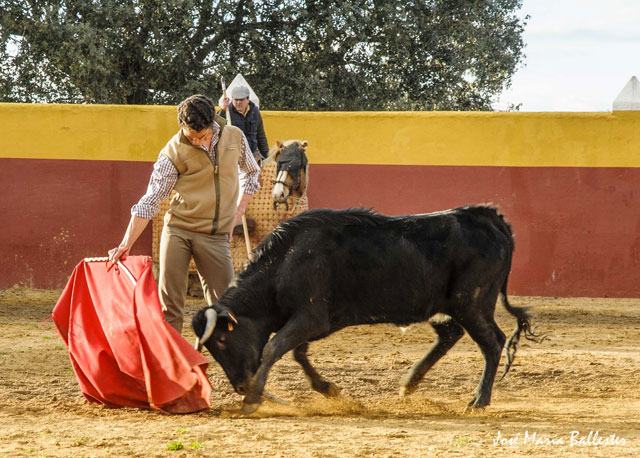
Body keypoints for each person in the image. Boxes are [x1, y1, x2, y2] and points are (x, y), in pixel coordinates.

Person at [108, 94, 260, 333]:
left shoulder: (234, 137)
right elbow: (151, 200)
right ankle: (172, 366)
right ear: (182, 127)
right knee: (170, 308)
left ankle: (229, 360)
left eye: (203, 136)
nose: (198, 142)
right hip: (178, 230)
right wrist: (125, 244)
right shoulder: (172, 152)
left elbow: (251, 174)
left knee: (227, 307)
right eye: (192, 136)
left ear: (213, 123)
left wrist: (236, 213)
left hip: (215, 234)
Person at [218, 85, 269, 164]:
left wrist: (267, 157)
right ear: (232, 99)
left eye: (241, 100)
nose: (238, 102)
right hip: (233, 157)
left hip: (252, 155)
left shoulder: (255, 111)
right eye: (236, 99)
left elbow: (260, 135)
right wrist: (222, 110)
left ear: (248, 99)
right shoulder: (227, 111)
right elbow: (216, 127)